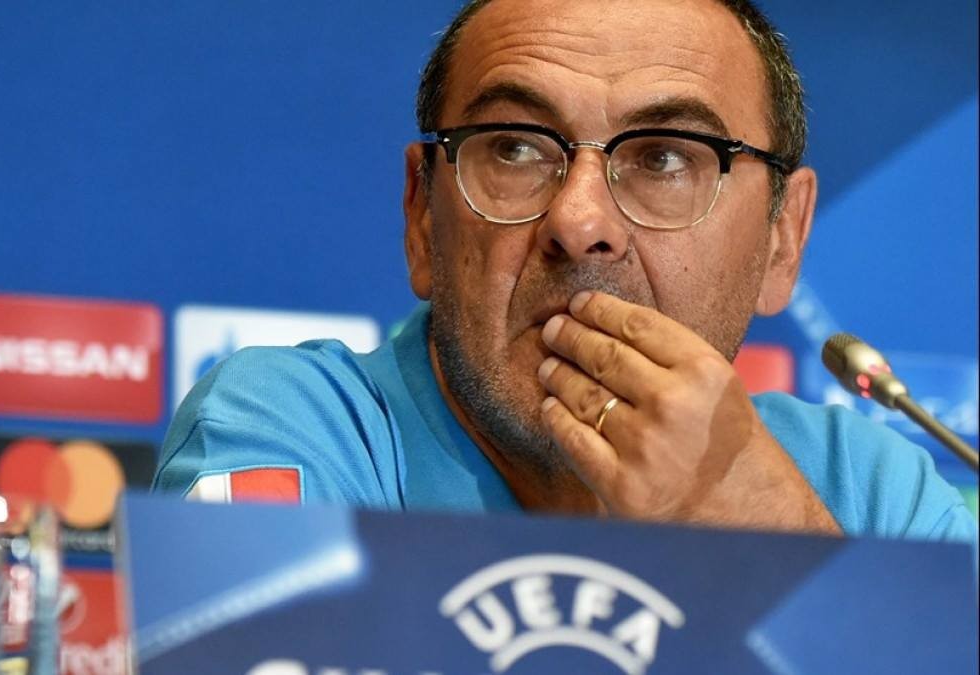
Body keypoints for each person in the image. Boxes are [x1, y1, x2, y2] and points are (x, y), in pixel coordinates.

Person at [154, 0, 977, 542]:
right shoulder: (294, 428)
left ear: (782, 240)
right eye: (515, 148)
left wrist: (766, 535)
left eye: (665, 158)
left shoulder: (868, 491)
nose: (579, 224)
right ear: (421, 217)